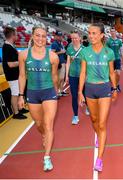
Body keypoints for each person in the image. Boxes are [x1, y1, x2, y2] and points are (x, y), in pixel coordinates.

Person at [18, 26, 59, 171]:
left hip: (49, 93)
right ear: (32, 36)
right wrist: (21, 95)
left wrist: (56, 91)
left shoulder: (53, 56)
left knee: (49, 125)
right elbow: (22, 76)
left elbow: (54, 76)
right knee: (39, 123)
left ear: (46, 38)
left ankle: (47, 157)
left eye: (43, 36)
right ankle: (43, 135)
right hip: (32, 93)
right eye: (38, 35)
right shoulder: (23, 55)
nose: (40, 39)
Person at [78, 23, 117, 172]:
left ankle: (99, 159)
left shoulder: (109, 52)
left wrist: (114, 88)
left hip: (104, 88)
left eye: (94, 33)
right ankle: (98, 135)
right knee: (94, 120)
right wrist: (80, 92)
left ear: (101, 35)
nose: (91, 36)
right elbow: (82, 73)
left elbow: (112, 73)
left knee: (102, 124)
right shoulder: (85, 52)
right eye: (89, 33)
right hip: (90, 89)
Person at [2, 26, 28, 120]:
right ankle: (16, 113)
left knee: (18, 92)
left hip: (15, 74)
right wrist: (21, 62)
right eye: (16, 34)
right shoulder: (7, 47)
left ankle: (20, 108)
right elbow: (10, 64)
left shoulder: (10, 46)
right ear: (12, 35)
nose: (17, 36)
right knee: (15, 93)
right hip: (12, 75)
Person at [65, 31, 89, 125]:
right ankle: (75, 116)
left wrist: (88, 75)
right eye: (72, 38)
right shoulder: (69, 49)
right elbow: (68, 63)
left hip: (83, 76)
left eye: (75, 38)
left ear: (80, 38)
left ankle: (87, 106)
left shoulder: (85, 49)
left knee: (84, 93)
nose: (74, 40)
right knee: (74, 96)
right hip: (72, 75)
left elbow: (87, 64)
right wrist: (66, 75)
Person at [106, 27, 123, 92]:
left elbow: (121, 50)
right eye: (111, 31)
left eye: (114, 31)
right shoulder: (108, 41)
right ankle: (113, 86)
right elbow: (106, 51)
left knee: (118, 74)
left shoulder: (119, 41)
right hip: (111, 60)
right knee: (111, 74)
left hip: (117, 59)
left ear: (115, 32)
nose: (113, 32)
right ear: (110, 32)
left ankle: (116, 85)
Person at [51, 31, 67, 97]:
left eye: (61, 36)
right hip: (58, 63)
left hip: (62, 62)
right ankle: (56, 92)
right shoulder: (54, 43)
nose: (60, 37)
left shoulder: (60, 43)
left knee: (62, 78)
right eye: (59, 36)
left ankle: (61, 91)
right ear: (56, 36)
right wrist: (61, 52)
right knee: (59, 78)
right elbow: (52, 54)